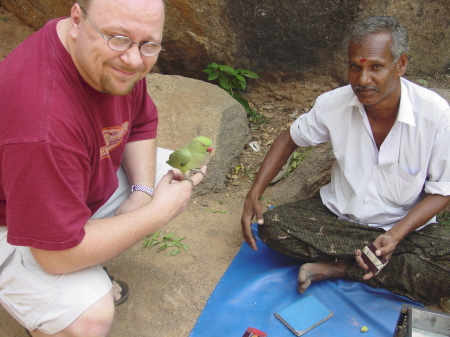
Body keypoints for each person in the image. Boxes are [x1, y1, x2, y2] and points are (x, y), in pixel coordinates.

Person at [0, 0, 206, 336]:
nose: (134, 60)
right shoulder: (41, 124)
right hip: (12, 221)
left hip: (62, 179)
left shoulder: (103, 54)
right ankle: (49, 316)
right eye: (118, 38)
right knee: (88, 320)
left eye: (149, 44)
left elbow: (139, 123)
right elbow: (55, 255)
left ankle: (84, 245)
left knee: (177, 170)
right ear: (78, 19)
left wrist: (142, 194)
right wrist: (155, 214)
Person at [241, 16, 450, 308]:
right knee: (272, 226)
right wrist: (255, 193)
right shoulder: (332, 104)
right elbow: (289, 139)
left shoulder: (436, 115)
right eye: (356, 66)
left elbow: (443, 189)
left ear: (400, 64)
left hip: (403, 229)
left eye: (376, 66)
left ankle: (337, 267)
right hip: (338, 221)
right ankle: (370, 264)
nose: (363, 80)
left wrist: (394, 236)